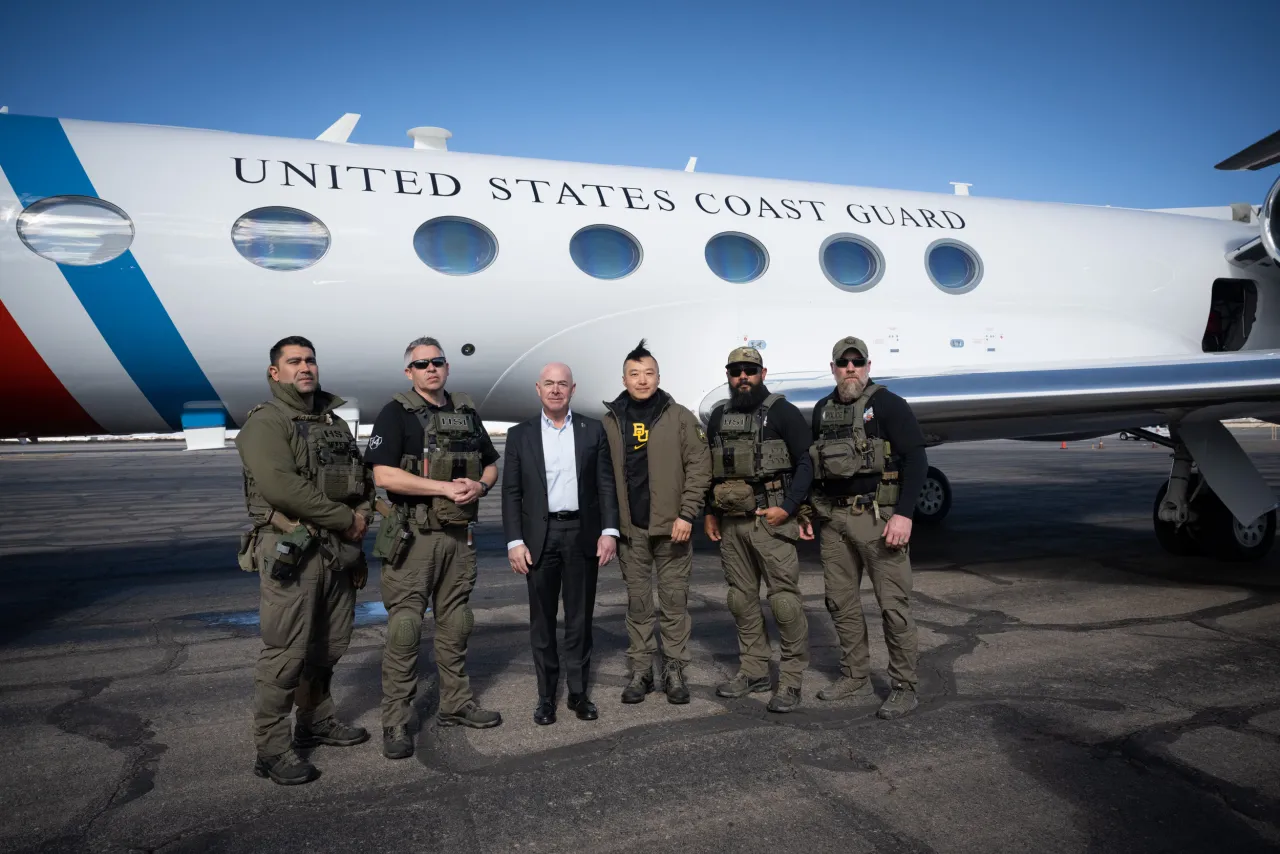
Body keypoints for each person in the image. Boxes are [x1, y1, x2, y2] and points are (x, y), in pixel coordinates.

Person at [234, 336, 373, 785]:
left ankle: (315, 721)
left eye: (310, 360)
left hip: (337, 551)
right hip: (293, 552)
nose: (305, 367)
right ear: (275, 373)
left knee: (328, 648)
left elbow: (361, 481)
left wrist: (363, 515)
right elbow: (281, 486)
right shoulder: (267, 423)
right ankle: (272, 751)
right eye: (293, 361)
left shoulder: (331, 422)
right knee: (286, 655)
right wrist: (344, 519)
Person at [364, 337, 503, 761]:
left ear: (446, 367)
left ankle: (456, 704)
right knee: (405, 631)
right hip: (414, 539)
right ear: (409, 372)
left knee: (457, 622)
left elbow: (492, 463)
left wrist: (480, 484)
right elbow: (384, 476)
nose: (431, 369)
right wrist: (442, 486)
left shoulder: (465, 412)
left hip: (458, 538)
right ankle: (395, 720)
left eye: (437, 362)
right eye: (421, 364)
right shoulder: (395, 414)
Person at [807, 336, 927, 719]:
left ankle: (905, 686)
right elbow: (815, 468)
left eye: (857, 361)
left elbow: (916, 460)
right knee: (840, 602)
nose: (850, 368)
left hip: (878, 519)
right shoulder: (823, 410)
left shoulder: (888, 405)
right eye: (843, 362)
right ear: (833, 368)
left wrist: (905, 514)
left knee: (894, 607)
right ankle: (854, 674)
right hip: (835, 522)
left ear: (868, 366)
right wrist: (811, 513)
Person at [502, 363, 620, 725]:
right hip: (539, 538)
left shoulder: (592, 430)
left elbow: (605, 485)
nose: (556, 390)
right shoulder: (519, 435)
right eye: (549, 384)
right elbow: (511, 492)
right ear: (538, 389)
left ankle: (578, 694)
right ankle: (545, 697)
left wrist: (610, 531)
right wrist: (514, 541)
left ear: (572, 389)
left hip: (581, 533)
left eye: (562, 384)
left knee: (579, 619)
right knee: (542, 621)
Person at [704, 346, 814, 713]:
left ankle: (792, 679)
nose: (743, 377)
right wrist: (708, 512)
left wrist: (789, 507)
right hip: (731, 523)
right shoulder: (719, 415)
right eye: (736, 371)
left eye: (749, 370)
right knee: (740, 599)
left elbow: (806, 463)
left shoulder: (783, 413)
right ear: (728, 375)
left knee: (784, 601)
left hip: (771, 521)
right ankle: (753, 671)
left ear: (763, 373)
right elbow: (710, 467)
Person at [601, 340, 712, 704]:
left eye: (649, 373)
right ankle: (641, 671)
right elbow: (602, 477)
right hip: (631, 533)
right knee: (637, 605)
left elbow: (699, 467)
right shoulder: (611, 421)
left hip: (672, 530)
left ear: (659, 377)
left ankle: (675, 669)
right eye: (635, 374)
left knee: (674, 603)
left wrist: (687, 514)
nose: (642, 380)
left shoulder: (679, 416)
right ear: (624, 378)